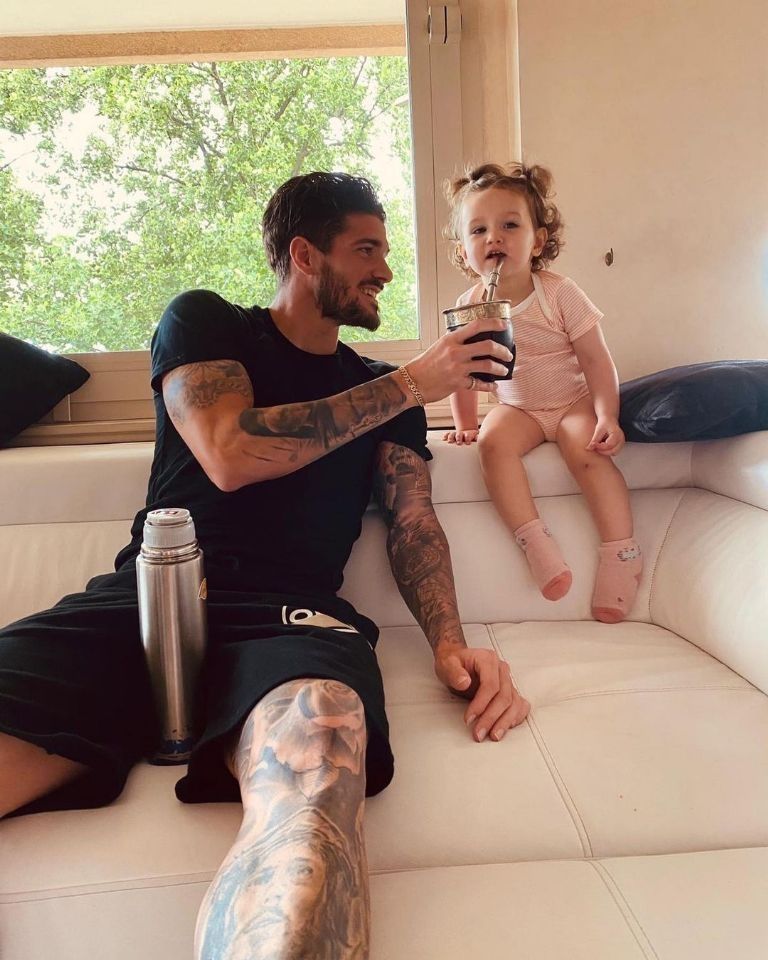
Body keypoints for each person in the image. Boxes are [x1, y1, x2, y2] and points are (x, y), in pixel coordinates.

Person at [0, 171, 530, 960]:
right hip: (146, 599)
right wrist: (414, 381)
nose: (386, 269)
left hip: (291, 620)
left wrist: (452, 642)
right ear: (305, 255)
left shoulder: (380, 389)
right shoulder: (207, 322)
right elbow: (228, 451)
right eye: (366, 249)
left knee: (317, 774)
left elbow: (414, 522)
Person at [443, 162, 642, 623]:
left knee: (586, 450)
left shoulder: (559, 293)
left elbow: (596, 360)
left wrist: (607, 415)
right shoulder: (469, 306)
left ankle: (621, 553)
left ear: (538, 241)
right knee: (492, 445)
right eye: (479, 230)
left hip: (572, 401)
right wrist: (465, 425)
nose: (494, 238)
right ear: (464, 252)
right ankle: (534, 540)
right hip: (519, 408)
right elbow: (462, 371)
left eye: (510, 226)